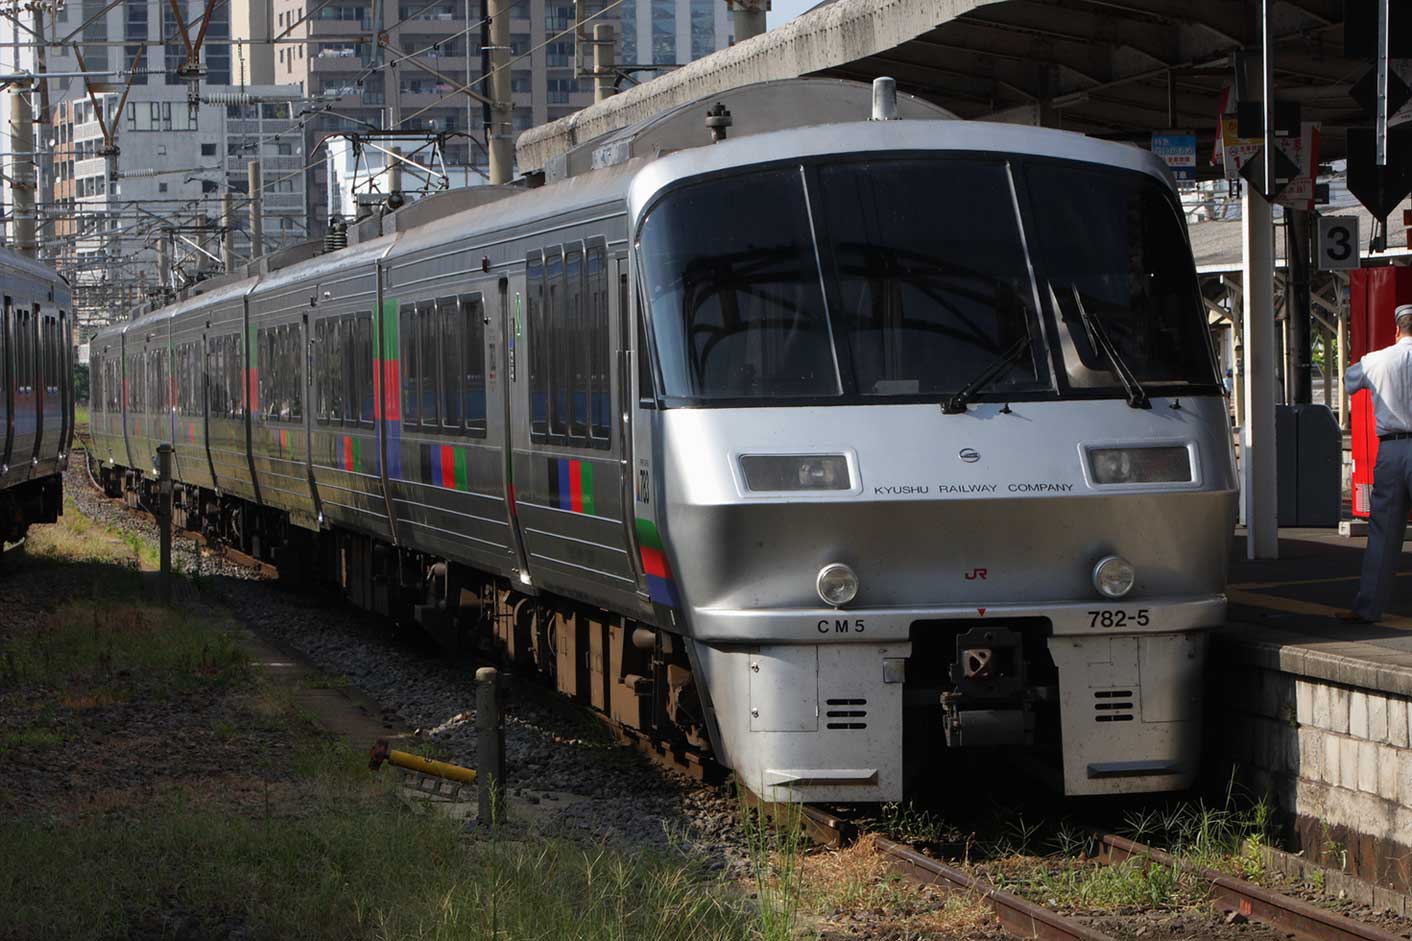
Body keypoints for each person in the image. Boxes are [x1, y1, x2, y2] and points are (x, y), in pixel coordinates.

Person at [1345, 302, 1412, 623]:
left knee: (1384, 532)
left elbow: (1349, 380)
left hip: (1391, 451)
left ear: (1397, 329)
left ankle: (1368, 609)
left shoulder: (1376, 360)